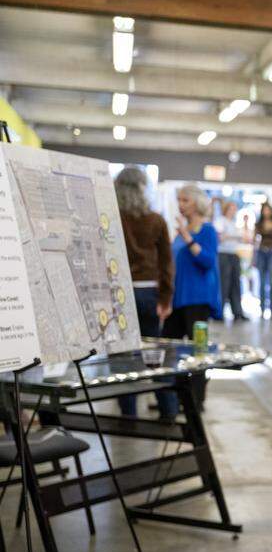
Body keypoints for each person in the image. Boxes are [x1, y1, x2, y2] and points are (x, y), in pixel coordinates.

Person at [114, 167, 173, 417]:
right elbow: (166, 263)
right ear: (142, 188)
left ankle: (129, 413)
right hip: (149, 294)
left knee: (123, 358)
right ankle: (168, 409)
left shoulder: (111, 218)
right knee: (153, 357)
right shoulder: (156, 220)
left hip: (120, 295)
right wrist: (166, 298)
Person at [159, 184, 223, 417]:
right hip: (178, 299)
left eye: (185, 200)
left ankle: (196, 401)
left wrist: (188, 238)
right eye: (179, 200)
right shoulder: (180, 231)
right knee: (169, 348)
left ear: (196, 203)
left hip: (198, 301)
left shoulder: (207, 231)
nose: (181, 204)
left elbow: (207, 261)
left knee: (198, 353)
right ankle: (171, 400)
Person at [215, 200, 248, 321]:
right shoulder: (220, 221)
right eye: (231, 208)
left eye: (235, 209)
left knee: (236, 284)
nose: (233, 211)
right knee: (224, 283)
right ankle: (220, 312)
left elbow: (243, 238)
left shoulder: (233, 223)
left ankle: (237, 312)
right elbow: (220, 237)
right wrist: (234, 237)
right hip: (223, 254)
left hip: (234, 254)